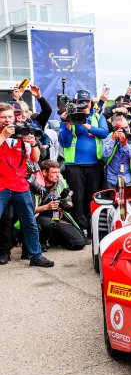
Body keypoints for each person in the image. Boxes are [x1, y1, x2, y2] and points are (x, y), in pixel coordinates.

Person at [0, 103, 53, 267]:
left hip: (20, 185)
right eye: (3, 117)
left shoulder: (22, 132)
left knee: (29, 222)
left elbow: (35, 159)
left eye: (10, 116)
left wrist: (34, 144)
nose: (7, 120)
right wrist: (3, 136)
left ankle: (35, 256)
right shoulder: (3, 134)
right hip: (1, 186)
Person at [58, 89, 109, 233]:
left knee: (93, 195)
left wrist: (85, 124)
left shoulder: (98, 117)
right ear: (75, 103)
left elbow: (104, 133)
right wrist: (68, 125)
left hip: (94, 164)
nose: (84, 105)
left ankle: (93, 226)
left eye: (87, 102)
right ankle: (81, 227)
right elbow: (65, 143)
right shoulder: (68, 117)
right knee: (78, 198)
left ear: (91, 103)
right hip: (74, 165)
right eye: (81, 102)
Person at [30, 159, 86, 251]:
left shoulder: (60, 182)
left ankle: (53, 239)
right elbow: (28, 210)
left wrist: (66, 205)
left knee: (79, 243)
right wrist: (46, 207)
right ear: (44, 172)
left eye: (58, 172)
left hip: (56, 218)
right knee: (48, 223)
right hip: (36, 218)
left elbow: (69, 201)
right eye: (54, 172)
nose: (57, 175)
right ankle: (40, 243)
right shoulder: (34, 185)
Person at [102, 114, 131, 188]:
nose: (126, 130)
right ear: (115, 130)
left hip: (128, 178)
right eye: (122, 129)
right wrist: (113, 140)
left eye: (127, 127)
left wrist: (125, 144)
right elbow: (105, 154)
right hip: (111, 178)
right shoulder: (110, 136)